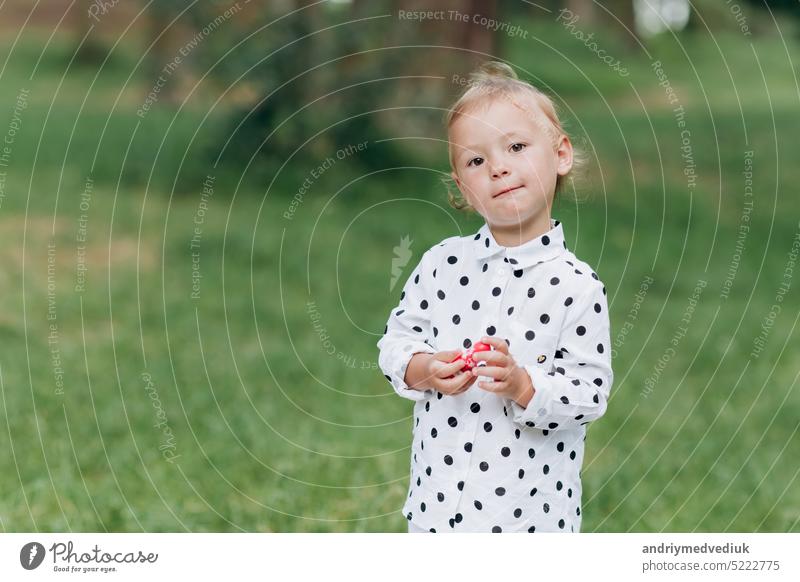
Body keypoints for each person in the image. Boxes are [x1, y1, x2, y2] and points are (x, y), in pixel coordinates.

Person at [377, 61, 613, 533]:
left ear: (560, 154)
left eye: (517, 147)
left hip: (529, 519)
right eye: (476, 160)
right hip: (437, 510)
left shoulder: (577, 287)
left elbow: (589, 393)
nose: (498, 167)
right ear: (462, 186)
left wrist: (523, 385)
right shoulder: (442, 264)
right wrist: (425, 368)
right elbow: (395, 343)